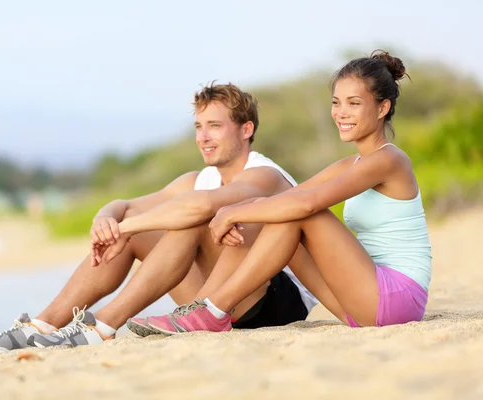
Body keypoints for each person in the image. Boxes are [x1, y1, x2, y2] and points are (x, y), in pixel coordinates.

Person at [0, 82, 317, 352]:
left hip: (272, 302)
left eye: (214, 126)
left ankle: (102, 326)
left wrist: (124, 226)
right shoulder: (198, 179)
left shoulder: (264, 174)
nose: (203, 137)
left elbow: (197, 208)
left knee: (187, 219)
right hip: (215, 297)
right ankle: (43, 326)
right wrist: (106, 218)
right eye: (198, 127)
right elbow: (125, 204)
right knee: (137, 227)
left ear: (245, 129)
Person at [144, 50, 432, 334]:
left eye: (353, 103)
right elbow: (284, 199)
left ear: (382, 108)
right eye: (336, 102)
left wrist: (233, 212)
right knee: (282, 208)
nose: (341, 112)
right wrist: (233, 213)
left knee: (302, 213)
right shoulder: (349, 164)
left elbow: (307, 203)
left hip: (396, 297)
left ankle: (212, 310)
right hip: (357, 303)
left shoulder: (390, 160)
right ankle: (206, 308)